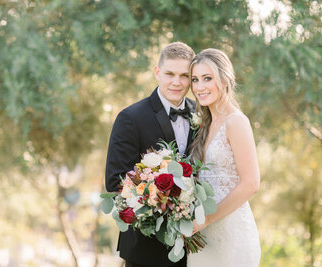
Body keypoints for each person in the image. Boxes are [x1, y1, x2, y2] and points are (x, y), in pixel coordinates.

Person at [105, 42, 196, 267]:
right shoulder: (130, 117)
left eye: (184, 75)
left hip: (194, 248)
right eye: (170, 74)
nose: (177, 82)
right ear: (157, 72)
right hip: (145, 249)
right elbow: (115, 180)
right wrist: (159, 198)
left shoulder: (201, 113)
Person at [186, 48, 261, 266]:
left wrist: (207, 219)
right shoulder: (204, 124)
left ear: (226, 78)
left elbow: (251, 184)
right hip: (202, 237)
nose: (200, 87)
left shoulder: (236, 122)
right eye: (195, 79)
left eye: (207, 78)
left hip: (231, 234)